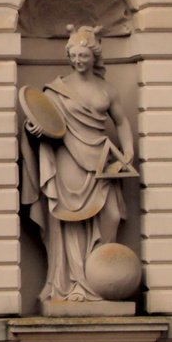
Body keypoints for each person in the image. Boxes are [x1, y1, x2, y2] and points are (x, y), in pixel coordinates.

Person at [19, 25, 135, 303]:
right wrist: (32, 130)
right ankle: (70, 284)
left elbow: (121, 122)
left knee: (111, 216)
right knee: (68, 223)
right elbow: (44, 119)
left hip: (101, 160)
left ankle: (102, 281)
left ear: (94, 56)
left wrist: (128, 153)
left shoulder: (107, 90)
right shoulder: (58, 89)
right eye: (74, 56)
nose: (79, 61)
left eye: (84, 56)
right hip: (67, 158)